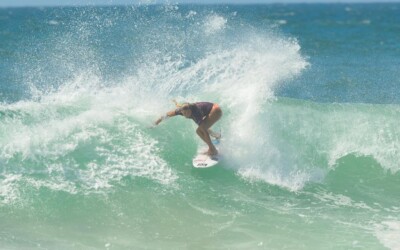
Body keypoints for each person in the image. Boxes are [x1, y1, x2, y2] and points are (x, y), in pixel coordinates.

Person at [154, 101, 222, 156]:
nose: (186, 115)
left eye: (187, 113)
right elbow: (167, 114)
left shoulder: (196, 113)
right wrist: (156, 123)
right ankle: (216, 135)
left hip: (216, 110)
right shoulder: (181, 110)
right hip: (211, 109)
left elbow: (204, 131)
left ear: (190, 110)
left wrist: (210, 146)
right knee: (203, 126)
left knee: (199, 131)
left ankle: (213, 149)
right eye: (184, 113)